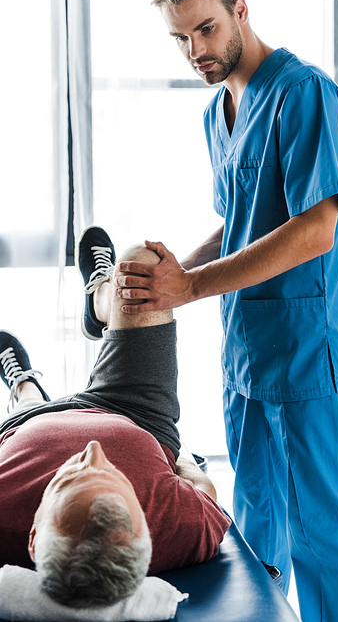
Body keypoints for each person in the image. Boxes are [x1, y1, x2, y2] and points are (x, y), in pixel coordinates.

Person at [113, 0, 338, 622]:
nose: (193, 50)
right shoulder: (217, 116)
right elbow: (238, 224)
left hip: (304, 352)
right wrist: (168, 276)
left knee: (327, 532)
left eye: (204, 29)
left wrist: (191, 286)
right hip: (247, 358)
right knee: (259, 527)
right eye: (179, 37)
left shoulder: (302, 93)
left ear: (239, 9)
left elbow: (316, 227)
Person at [0, 226, 230, 608]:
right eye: (112, 476)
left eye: (67, 480)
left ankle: (23, 386)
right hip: (135, 411)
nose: (92, 450)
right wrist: (176, 455)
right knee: (142, 265)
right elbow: (205, 491)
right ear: (145, 529)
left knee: (26, 407)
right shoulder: (180, 527)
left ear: (34, 535)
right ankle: (99, 298)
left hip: (25, 428)